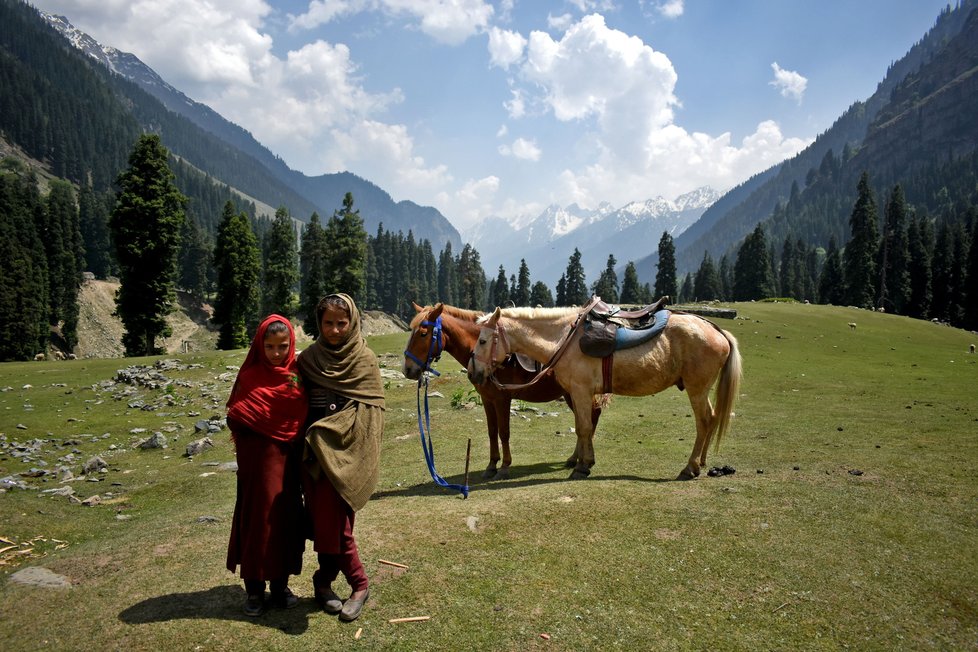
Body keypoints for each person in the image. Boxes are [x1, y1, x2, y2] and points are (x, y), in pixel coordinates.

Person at [298, 294, 385, 622]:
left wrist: (330, 430)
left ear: (353, 323)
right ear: (319, 323)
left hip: (348, 456)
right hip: (314, 459)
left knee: (340, 527)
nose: (334, 330)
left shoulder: (364, 360)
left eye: (341, 322)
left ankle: (358, 585)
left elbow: (372, 414)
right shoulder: (308, 360)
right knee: (324, 523)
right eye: (328, 323)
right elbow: (296, 403)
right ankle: (323, 583)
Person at [225, 315, 308, 617]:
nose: (276, 353)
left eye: (282, 346)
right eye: (269, 346)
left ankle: (280, 586)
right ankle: (255, 591)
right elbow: (235, 415)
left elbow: (302, 413)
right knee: (258, 524)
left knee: (285, 523)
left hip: (288, 466)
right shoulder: (249, 376)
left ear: (291, 345)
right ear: (259, 345)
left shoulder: (296, 374)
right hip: (258, 468)